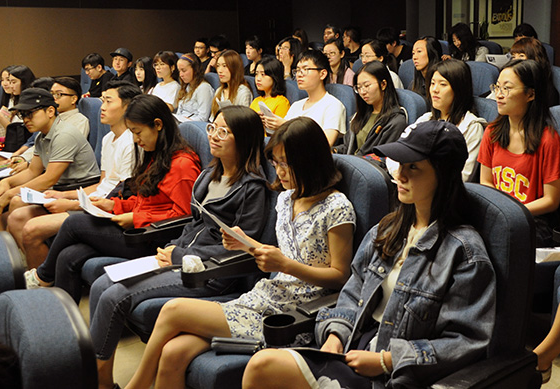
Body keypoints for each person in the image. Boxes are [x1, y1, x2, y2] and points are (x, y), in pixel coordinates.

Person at [242, 120, 496, 389]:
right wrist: (335, 335)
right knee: (261, 367)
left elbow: (464, 341)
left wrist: (387, 360)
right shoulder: (387, 229)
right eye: (400, 165)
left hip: (396, 372)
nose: (400, 175)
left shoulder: (464, 251)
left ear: (443, 174)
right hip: (353, 349)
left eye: (414, 167)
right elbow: (353, 292)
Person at [125, 116, 356, 389]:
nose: (279, 171)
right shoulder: (286, 198)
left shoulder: (337, 207)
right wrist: (248, 245)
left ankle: (135, 386)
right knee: (174, 352)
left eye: (286, 163)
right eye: (276, 163)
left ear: (309, 160)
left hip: (293, 314)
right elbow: (289, 254)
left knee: (173, 309)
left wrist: (284, 265)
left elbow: (341, 277)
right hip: (266, 297)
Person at [88, 106, 268, 389]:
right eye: (212, 128)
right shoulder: (210, 175)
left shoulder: (252, 188)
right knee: (102, 284)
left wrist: (181, 255)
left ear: (243, 139)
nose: (214, 137)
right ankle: (101, 378)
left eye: (224, 132)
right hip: (180, 260)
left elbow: (241, 248)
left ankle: (99, 383)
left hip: (211, 274)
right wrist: (172, 248)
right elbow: (193, 223)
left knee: (116, 296)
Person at [24, 94, 202, 302]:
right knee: (68, 256)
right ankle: (64, 321)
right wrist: (115, 204)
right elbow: (148, 200)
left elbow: (184, 216)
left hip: (154, 238)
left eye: (138, 132)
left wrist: (135, 218)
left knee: (73, 223)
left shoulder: (182, 164)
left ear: (158, 125)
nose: (136, 140)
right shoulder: (157, 155)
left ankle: (42, 276)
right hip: (139, 227)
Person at [7, 81, 139, 269]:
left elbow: (119, 193)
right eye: (102, 101)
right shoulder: (108, 138)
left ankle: (43, 278)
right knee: (17, 217)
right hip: (95, 200)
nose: (102, 107)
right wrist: (63, 195)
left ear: (128, 106)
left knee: (31, 228)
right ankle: (31, 271)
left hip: (107, 209)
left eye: (108, 102)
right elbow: (102, 184)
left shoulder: (131, 142)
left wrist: (72, 204)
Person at [0, 88, 100, 230]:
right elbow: (32, 171)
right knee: (2, 213)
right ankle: (4, 249)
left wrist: (10, 192)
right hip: (59, 187)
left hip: (78, 189)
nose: (26, 120)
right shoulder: (41, 136)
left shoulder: (64, 134)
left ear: (50, 111)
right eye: (23, 115)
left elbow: (49, 179)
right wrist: (7, 182)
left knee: (16, 202)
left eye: (30, 113)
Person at [478, 59, 560, 247]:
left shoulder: (548, 139)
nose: (498, 95)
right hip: (498, 215)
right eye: (497, 87)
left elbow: (551, 200)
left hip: (533, 220)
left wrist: (512, 213)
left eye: (507, 89)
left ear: (530, 94)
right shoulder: (492, 131)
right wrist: (499, 212)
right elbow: (486, 181)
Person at [414, 59, 485, 181]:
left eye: (443, 84)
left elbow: (464, 176)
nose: (435, 90)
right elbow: (396, 156)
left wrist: (421, 178)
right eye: (432, 83)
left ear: (459, 89)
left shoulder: (471, 127)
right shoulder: (426, 119)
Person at [262, 50, 346, 146]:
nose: (299, 74)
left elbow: (325, 144)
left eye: (305, 69)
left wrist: (286, 126)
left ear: (322, 74)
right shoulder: (296, 105)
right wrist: (270, 124)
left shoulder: (333, 105)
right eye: (297, 70)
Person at [335, 61, 406, 156]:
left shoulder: (395, 121)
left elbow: (384, 158)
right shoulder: (360, 115)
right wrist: (334, 150)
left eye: (367, 86)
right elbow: (349, 147)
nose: (362, 92)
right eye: (359, 87)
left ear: (383, 84)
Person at [509, 37, 559, 107]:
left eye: (521, 56)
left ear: (534, 59)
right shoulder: (512, 81)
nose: (515, 61)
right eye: (513, 57)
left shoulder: (545, 90)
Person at [249, 57, 290, 133]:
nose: (258, 78)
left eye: (263, 74)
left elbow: (281, 133)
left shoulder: (281, 102)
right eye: (256, 74)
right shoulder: (256, 100)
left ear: (274, 77)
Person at [210, 50, 253, 118]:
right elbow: (213, 118)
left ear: (235, 68)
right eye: (218, 66)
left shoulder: (243, 92)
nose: (220, 70)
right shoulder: (219, 91)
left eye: (225, 66)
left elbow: (244, 122)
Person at [174, 53, 215, 122]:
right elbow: (179, 113)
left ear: (195, 70)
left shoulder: (204, 88)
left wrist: (185, 121)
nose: (181, 75)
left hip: (193, 126)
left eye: (184, 70)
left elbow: (203, 118)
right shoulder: (186, 87)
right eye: (179, 71)